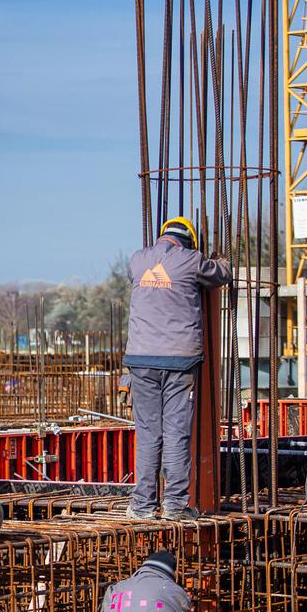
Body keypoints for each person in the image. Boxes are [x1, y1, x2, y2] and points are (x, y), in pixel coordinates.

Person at [124, 216, 231, 521]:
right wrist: (222, 260)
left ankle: (142, 505)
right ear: (189, 240)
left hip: (141, 361)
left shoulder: (137, 259)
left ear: (162, 236)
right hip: (179, 362)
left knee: (147, 434)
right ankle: (174, 505)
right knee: (175, 432)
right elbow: (220, 274)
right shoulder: (193, 260)